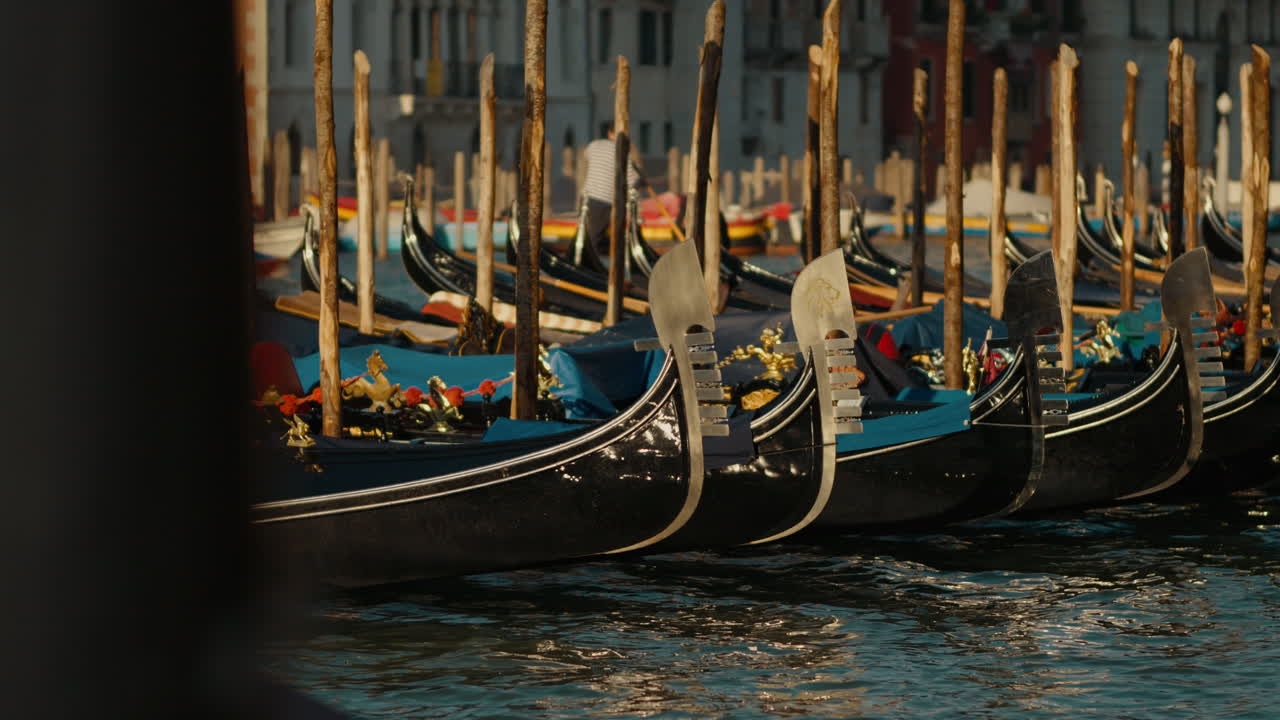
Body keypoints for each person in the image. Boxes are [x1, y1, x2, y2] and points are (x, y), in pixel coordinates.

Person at [581, 127, 641, 257]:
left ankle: (594, 259)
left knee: (591, 236)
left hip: (588, 197)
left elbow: (586, 155)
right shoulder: (622, 153)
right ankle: (597, 262)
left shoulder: (593, 145)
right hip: (605, 200)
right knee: (597, 238)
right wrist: (640, 180)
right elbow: (632, 181)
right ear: (610, 133)